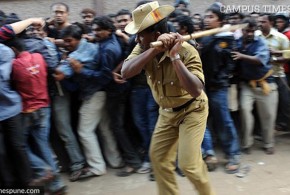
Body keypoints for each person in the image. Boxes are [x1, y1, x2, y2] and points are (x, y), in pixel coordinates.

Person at [121, 2, 214, 195]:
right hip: (166, 113)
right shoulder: (143, 48)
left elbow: (196, 90)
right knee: (158, 158)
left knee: (188, 164)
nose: (137, 39)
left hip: (192, 110)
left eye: (141, 34)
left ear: (155, 35)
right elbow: (125, 72)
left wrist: (174, 57)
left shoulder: (187, 51)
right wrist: (154, 50)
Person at [199, 3, 241, 173]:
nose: (206, 20)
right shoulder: (205, 37)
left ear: (221, 20)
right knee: (201, 120)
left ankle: (232, 154)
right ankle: (209, 153)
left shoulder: (227, 39)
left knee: (223, 120)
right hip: (202, 86)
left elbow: (229, 65)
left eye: (211, 17)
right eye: (206, 16)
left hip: (218, 87)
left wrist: (219, 80)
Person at [231, 18, 278, 155]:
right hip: (248, 85)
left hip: (265, 85)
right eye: (247, 31)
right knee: (245, 112)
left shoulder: (261, 43)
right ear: (242, 30)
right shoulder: (237, 43)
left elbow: (259, 60)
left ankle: (268, 143)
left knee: (268, 116)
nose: (250, 34)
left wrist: (241, 56)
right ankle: (247, 143)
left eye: (252, 31)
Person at [256, 13, 290, 135]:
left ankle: (284, 127)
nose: (260, 24)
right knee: (264, 107)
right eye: (259, 21)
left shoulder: (281, 38)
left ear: (271, 22)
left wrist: (272, 58)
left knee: (285, 102)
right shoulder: (255, 36)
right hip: (261, 78)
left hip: (278, 75)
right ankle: (262, 132)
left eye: (263, 22)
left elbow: (287, 56)